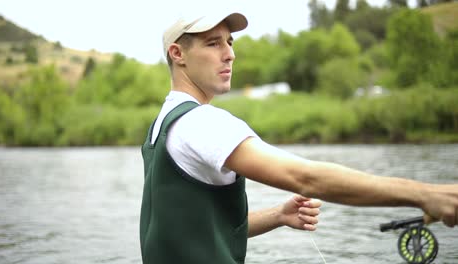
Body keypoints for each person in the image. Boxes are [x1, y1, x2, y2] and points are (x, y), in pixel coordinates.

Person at [139, 11, 458, 264]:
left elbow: (197, 230)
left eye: (230, 43)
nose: (229, 55)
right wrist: (426, 194)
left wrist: (279, 215)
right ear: (178, 53)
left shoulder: (162, 126)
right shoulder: (203, 123)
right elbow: (305, 177)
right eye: (213, 43)